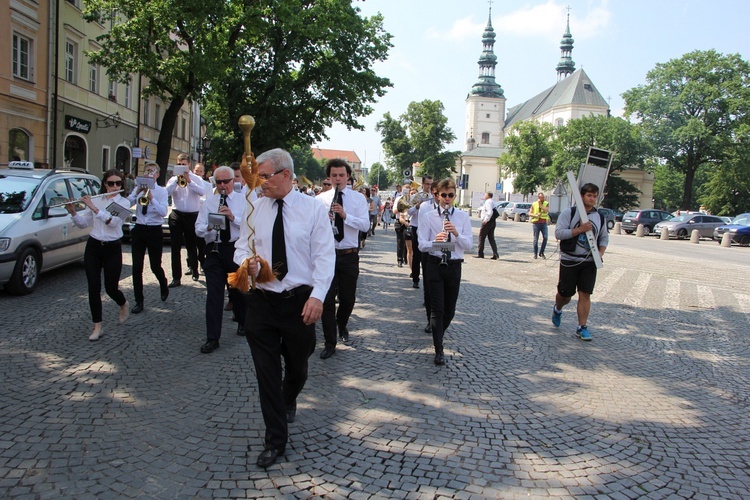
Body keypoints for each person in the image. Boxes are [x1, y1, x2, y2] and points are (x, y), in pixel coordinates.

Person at [234, 148, 335, 468]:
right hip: (261, 303)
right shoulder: (253, 206)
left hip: (299, 302)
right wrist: (244, 264)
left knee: (298, 364)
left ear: (286, 175)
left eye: (265, 176)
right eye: (257, 176)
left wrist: (317, 297)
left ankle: (289, 396)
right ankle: (275, 441)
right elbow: (240, 246)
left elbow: (324, 256)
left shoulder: (313, 210)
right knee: (266, 375)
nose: (259, 182)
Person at [315, 158, 370, 359]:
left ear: (348, 177)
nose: (338, 179)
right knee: (327, 299)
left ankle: (342, 323)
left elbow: (365, 226)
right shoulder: (320, 200)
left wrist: (346, 216)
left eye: (341, 175)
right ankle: (330, 342)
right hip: (327, 255)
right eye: (334, 176)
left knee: (348, 299)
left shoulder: (358, 199)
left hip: (348, 255)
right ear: (329, 177)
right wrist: (324, 220)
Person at [65, 170, 130, 340]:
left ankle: (123, 303)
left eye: (118, 183)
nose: (114, 186)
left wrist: (93, 208)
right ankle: (97, 326)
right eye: (111, 183)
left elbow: (112, 222)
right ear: (105, 184)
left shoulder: (124, 202)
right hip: (94, 246)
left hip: (112, 247)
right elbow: (83, 224)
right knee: (93, 287)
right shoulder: (96, 199)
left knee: (110, 288)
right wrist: (73, 212)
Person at [418, 178, 473, 365]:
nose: (447, 199)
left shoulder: (463, 217)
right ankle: (438, 349)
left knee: (450, 310)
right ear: (438, 196)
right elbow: (422, 245)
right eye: (444, 195)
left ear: (454, 196)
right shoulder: (428, 217)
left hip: (454, 265)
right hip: (434, 264)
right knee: (437, 310)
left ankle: (438, 333)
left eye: (450, 195)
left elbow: (469, 245)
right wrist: (437, 242)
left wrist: (456, 234)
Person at [195, 166, 246, 353]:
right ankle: (212, 337)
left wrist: (233, 217)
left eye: (226, 181)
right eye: (219, 182)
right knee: (214, 296)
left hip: (235, 248)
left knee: (239, 290)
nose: (223, 185)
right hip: (215, 250)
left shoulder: (243, 201)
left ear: (234, 181)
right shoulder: (209, 202)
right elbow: (198, 229)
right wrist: (210, 226)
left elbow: (250, 226)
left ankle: (243, 321)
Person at [551, 183, 609, 341]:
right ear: (581, 196)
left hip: (589, 262)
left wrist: (600, 253)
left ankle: (582, 327)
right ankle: (557, 308)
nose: (592, 198)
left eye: (595, 196)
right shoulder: (569, 213)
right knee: (565, 294)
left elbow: (604, 238)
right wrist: (579, 230)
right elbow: (559, 233)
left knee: (585, 294)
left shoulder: (600, 217)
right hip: (570, 260)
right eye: (589, 195)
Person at [127, 163, 170, 313]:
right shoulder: (138, 188)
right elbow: (127, 204)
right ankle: (139, 301)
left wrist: (151, 198)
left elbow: (163, 212)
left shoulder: (161, 191)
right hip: (139, 228)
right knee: (136, 267)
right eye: (147, 171)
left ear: (157, 175)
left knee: (154, 266)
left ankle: (163, 283)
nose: (149, 173)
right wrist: (136, 192)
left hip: (154, 230)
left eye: (152, 171)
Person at [166, 153, 205, 286]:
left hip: (192, 215)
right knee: (175, 246)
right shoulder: (173, 179)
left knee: (191, 245)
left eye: (184, 164)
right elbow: (166, 192)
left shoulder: (196, 179)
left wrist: (189, 181)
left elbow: (202, 192)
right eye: (180, 164)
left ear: (189, 165)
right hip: (177, 214)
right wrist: (177, 181)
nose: (182, 167)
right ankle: (176, 277)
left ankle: (194, 270)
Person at [407, 175, 434, 288]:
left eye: (431, 184)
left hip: (429, 228)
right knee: (417, 254)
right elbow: (408, 211)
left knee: (427, 255)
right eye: (427, 184)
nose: (429, 186)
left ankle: (428, 279)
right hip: (416, 226)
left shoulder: (433, 197)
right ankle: (415, 278)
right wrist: (417, 207)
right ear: (422, 184)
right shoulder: (416, 197)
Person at [476, 192, 499, 259]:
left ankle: (480, 254)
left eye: (485, 194)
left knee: (481, 237)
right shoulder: (492, 202)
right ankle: (495, 254)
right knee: (491, 238)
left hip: (488, 222)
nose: (484, 195)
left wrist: (485, 220)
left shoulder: (488, 202)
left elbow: (489, 212)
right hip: (492, 222)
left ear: (488, 195)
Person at [530, 192, 550, 259]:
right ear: (538, 198)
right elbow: (530, 213)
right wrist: (535, 215)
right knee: (536, 239)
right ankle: (535, 253)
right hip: (536, 223)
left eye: (543, 197)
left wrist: (541, 205)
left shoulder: (546, 203)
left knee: (545, 237)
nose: (542, 198)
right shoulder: (534, 204)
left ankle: (541, 252)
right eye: (540, 197)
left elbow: (546, 210)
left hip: (543, 223)